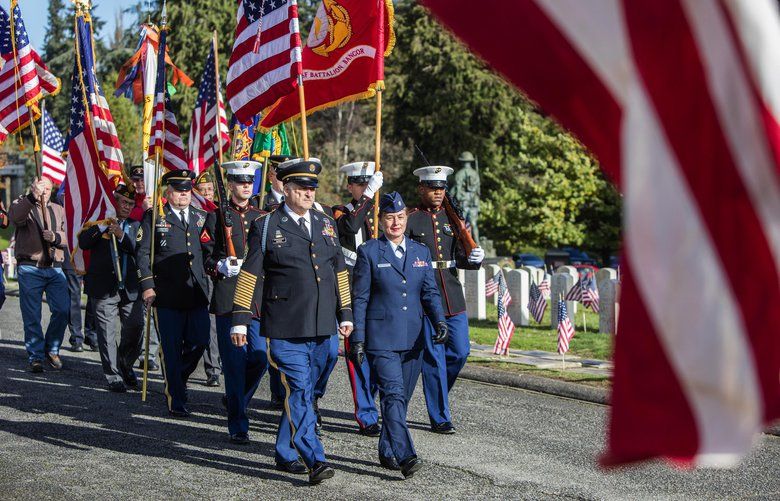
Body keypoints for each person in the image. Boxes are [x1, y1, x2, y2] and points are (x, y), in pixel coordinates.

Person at [231, 157, 353, 484]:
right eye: (302, 188)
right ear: (286, 189)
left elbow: (338, 270)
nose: (309, 193)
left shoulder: (325, 222)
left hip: (323, 325)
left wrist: (346, 313)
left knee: (305, 390)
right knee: (298, 387)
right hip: (286, 327)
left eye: (312, 187)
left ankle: (284, 450)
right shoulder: (267, 225)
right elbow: (249, 274)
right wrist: (240, 319)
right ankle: (313, 456)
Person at [350, 191, 447, 478]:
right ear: (380, 221)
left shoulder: (420, 252)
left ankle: (387, 450)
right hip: (381, 339)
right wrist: (358, 338)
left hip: (413, 338)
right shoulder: (369, 252)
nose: (396, 223)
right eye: (390, 217)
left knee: (401, 399)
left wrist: (439, 321)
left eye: (401, 217)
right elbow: (360, 299)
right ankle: (406, 455)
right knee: (392, 395)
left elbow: (429, 292)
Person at [406, 166, 485, 434]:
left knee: (460, 351)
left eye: (441, 188)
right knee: (434, 359)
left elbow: (460, 256)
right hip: (426, 298)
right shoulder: (410, 219)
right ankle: (440, 416)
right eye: (432, 188)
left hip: (452, 294)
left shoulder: (454, 219)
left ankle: (437, 392)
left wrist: (475, 259)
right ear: (421, 189)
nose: (438, 193)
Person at [136, 169, 216, 417]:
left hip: (196, 291)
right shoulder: (154, 217)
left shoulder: (201, 216)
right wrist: (147, 286)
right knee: (171, 346)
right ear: (168, 192)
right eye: (178, 191)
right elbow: (142, 253)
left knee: (200, 341)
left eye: (186, 191)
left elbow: (209, 251)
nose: (183, 195)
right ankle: (177, 399)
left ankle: (177, 376)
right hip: (166, 293)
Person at [205, 161, 268, 444]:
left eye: (249, 181)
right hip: (229, 298)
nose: (246, 186)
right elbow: (205, 256)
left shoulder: (263, 217)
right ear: (230, 184)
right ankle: (238, 425)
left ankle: (236, 400)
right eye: (240, 181)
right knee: (233, 363)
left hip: (255, 298)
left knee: (258, 358)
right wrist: (220, 265)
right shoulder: (216, 216)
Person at [332, 161, 383, 436]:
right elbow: (351, 227)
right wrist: (368, 195)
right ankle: (366, 414)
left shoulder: (381, 210)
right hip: (354, 290)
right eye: (359, 184)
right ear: (350, 186)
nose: (364, 188)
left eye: (368, 183)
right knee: (357, 351)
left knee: (381, 351)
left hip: (382, 289)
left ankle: (377, 402)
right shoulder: (341, 211)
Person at [78, 185, 144, 392]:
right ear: (112, 202)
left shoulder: (136, 225)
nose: (126, 206)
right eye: (123, 202)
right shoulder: (97, 223)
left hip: (131, 288)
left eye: (131, 203)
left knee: (136, 328)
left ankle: (125, 363)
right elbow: (83, 242)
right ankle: (113, 374)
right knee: (106, 333)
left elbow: (140, 250)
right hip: (104, 287)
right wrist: (103, 227)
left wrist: (121, 235)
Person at [8, 177, 69, 372]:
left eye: (48, 189)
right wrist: (31, 197)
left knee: (62, 310)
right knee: (32, 315)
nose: (44, 192)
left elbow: (69, 234)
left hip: (54, 267)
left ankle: (51, 348)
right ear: (33, 187)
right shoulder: (22, 203)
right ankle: (35, 355)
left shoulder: (59, 210)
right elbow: (15, 218)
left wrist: (56, 237)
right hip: (30, 267)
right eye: (41, 188)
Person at [249, 154, 293, 410]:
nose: (285, 181)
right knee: (262, 352)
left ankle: (284, 395)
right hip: (261, 287)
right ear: (271, 177)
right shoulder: (259, 205)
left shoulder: (311, 210)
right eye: (281, 175)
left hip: (288, 288)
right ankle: (243, 395)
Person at [127, 164, 160, 371]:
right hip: (129, 263)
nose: (139, 183)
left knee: (150, 310)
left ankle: (149, 354)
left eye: (142, 180)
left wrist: (151, 211)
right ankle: (132, 351)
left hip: (149, 265)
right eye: (136, 180)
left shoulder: (157, 203)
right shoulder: (126, 202)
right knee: (133, 314)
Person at [194, 170, 221, 387]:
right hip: (196, 274)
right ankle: (212, 368)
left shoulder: (220, 213)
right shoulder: (193, 211)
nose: (207, 195)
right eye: (202, 191)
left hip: (216, 274)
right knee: (207, 322)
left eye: (210, 190)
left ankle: (217, 364)